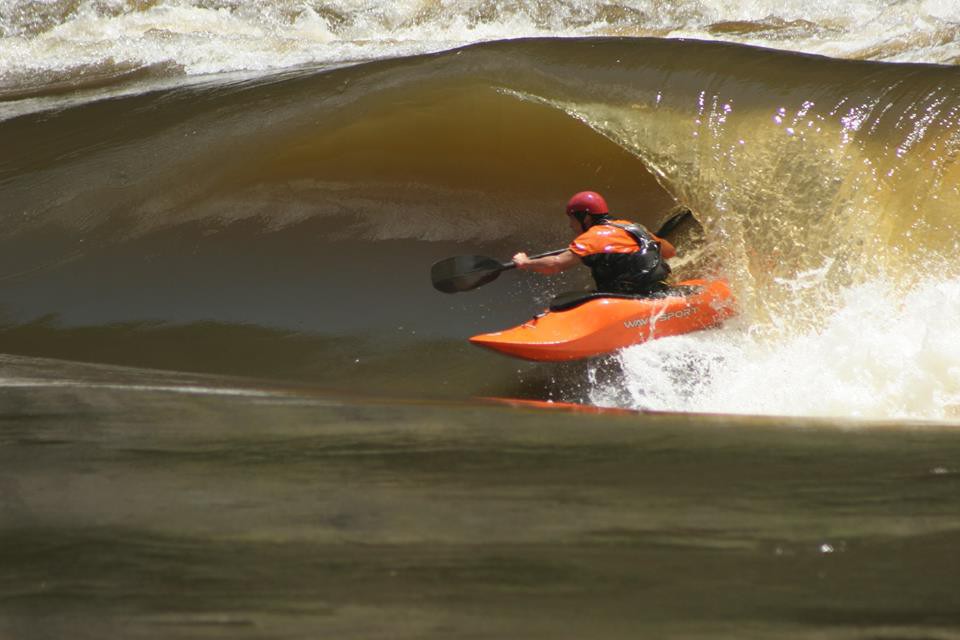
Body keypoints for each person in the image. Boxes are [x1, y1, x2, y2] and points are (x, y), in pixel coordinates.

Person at [512, 191, 677, 295]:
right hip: (659, 289)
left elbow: (555, 264)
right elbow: (670, 252)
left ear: (586, 218)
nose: (571, 225)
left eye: (572, 219)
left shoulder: (593, 237)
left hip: (631, 299)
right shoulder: (632, 227)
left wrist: (525, 262)